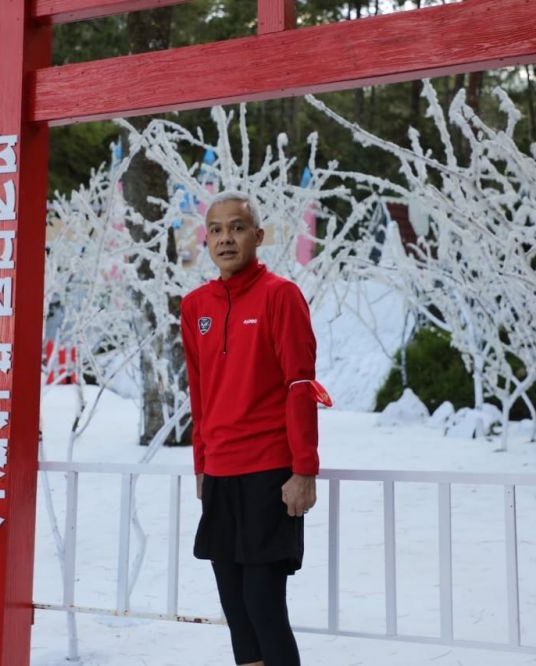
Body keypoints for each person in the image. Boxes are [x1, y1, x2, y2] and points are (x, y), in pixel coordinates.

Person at [180, 191, 327, 666]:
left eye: (238, 227)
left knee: (265, 606)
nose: (226, 238)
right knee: (237, 611)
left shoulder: (281, 295)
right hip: (220, 473)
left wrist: (303, 469)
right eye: (217, 229)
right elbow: (198, 394)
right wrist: (201, 465)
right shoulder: (195, 305)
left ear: (258, 236)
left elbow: (300, 384)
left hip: (270, 473)